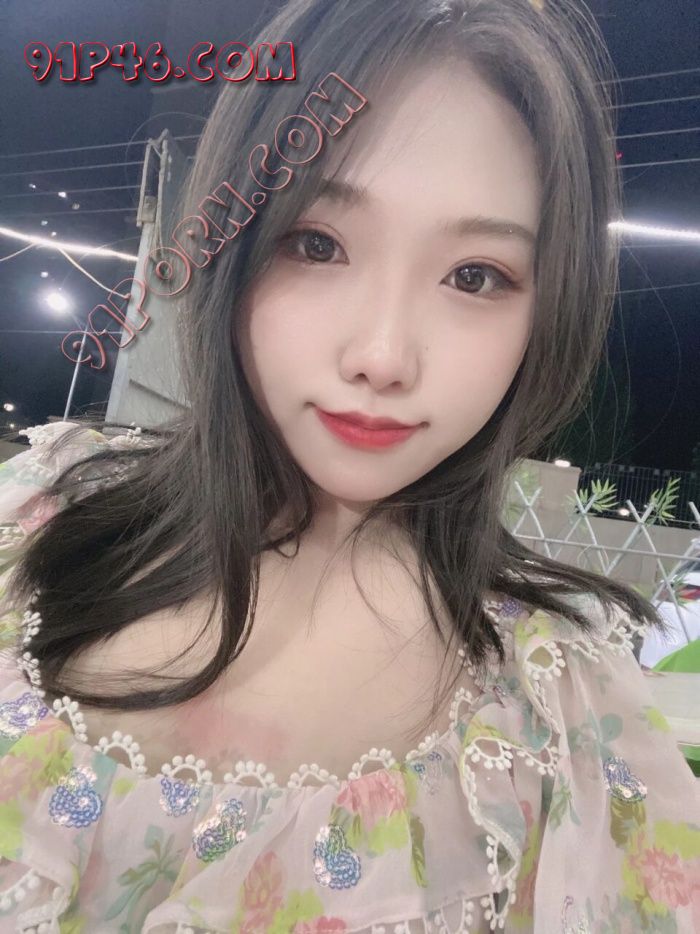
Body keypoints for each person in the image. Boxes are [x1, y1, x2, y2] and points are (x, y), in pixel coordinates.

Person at [1, 0, 699, 931]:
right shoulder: (30, 520)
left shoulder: (566, 717)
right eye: (316, 244)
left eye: (476, 276)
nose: (382, 356)